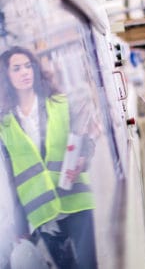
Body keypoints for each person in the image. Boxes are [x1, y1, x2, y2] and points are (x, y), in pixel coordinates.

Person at [0, 46, 98, 268]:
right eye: (16, 69)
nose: (25, 72)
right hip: (41, 212)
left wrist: (83, 158)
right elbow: (9, 178)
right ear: (5, 75)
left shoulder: (59, 103)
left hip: (76, 199)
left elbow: (86, 141)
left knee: (88, 264)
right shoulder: (4, 124)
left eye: (28, 66)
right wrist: (20, 224)